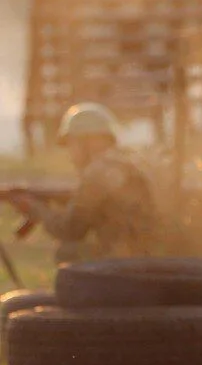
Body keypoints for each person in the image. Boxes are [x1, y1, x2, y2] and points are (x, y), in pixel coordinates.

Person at [2, 103, 157, 263]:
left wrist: (36, 208)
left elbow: (69, 230)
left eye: (72, 144)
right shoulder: (125, 162)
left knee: (67, 252)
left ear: (88, 141)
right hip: (143, 254)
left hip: (126, 260)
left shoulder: (97, 172)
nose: (71, 154)